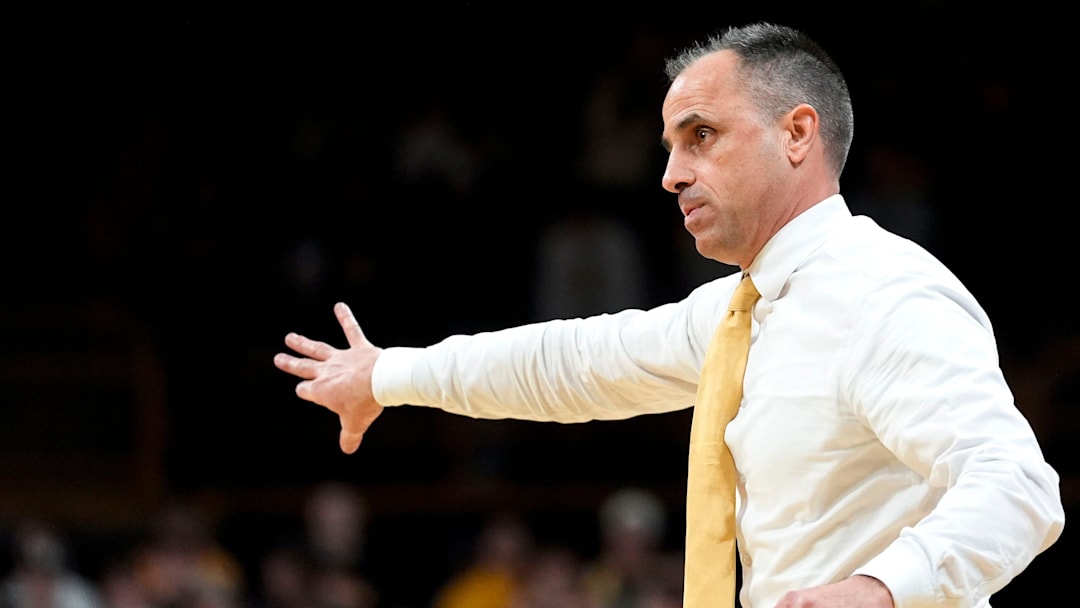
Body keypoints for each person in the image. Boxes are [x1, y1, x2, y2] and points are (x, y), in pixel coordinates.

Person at [273, 22, 1065, 607]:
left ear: (796, 133)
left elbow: (1018, 486)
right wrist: (391, 374)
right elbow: (574, 364)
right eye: (668, 146)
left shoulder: (887, 292)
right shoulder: (734, 313)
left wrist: (881, 589)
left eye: (701, 137)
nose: (670, 175)